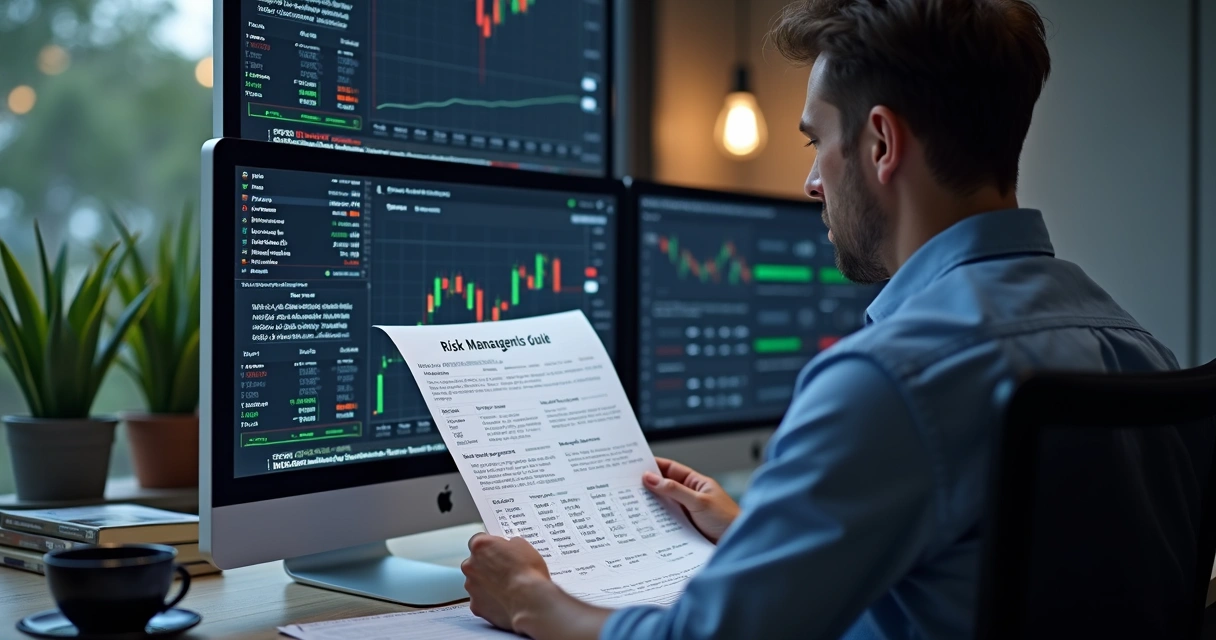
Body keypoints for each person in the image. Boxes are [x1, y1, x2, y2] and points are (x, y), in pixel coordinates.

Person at [458, 1, 1192, 638]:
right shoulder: (1138, 348)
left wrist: (530, 598)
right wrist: (756, 536)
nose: (812, 181)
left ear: (880, 144)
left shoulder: (891, 380)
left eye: (816, 141)